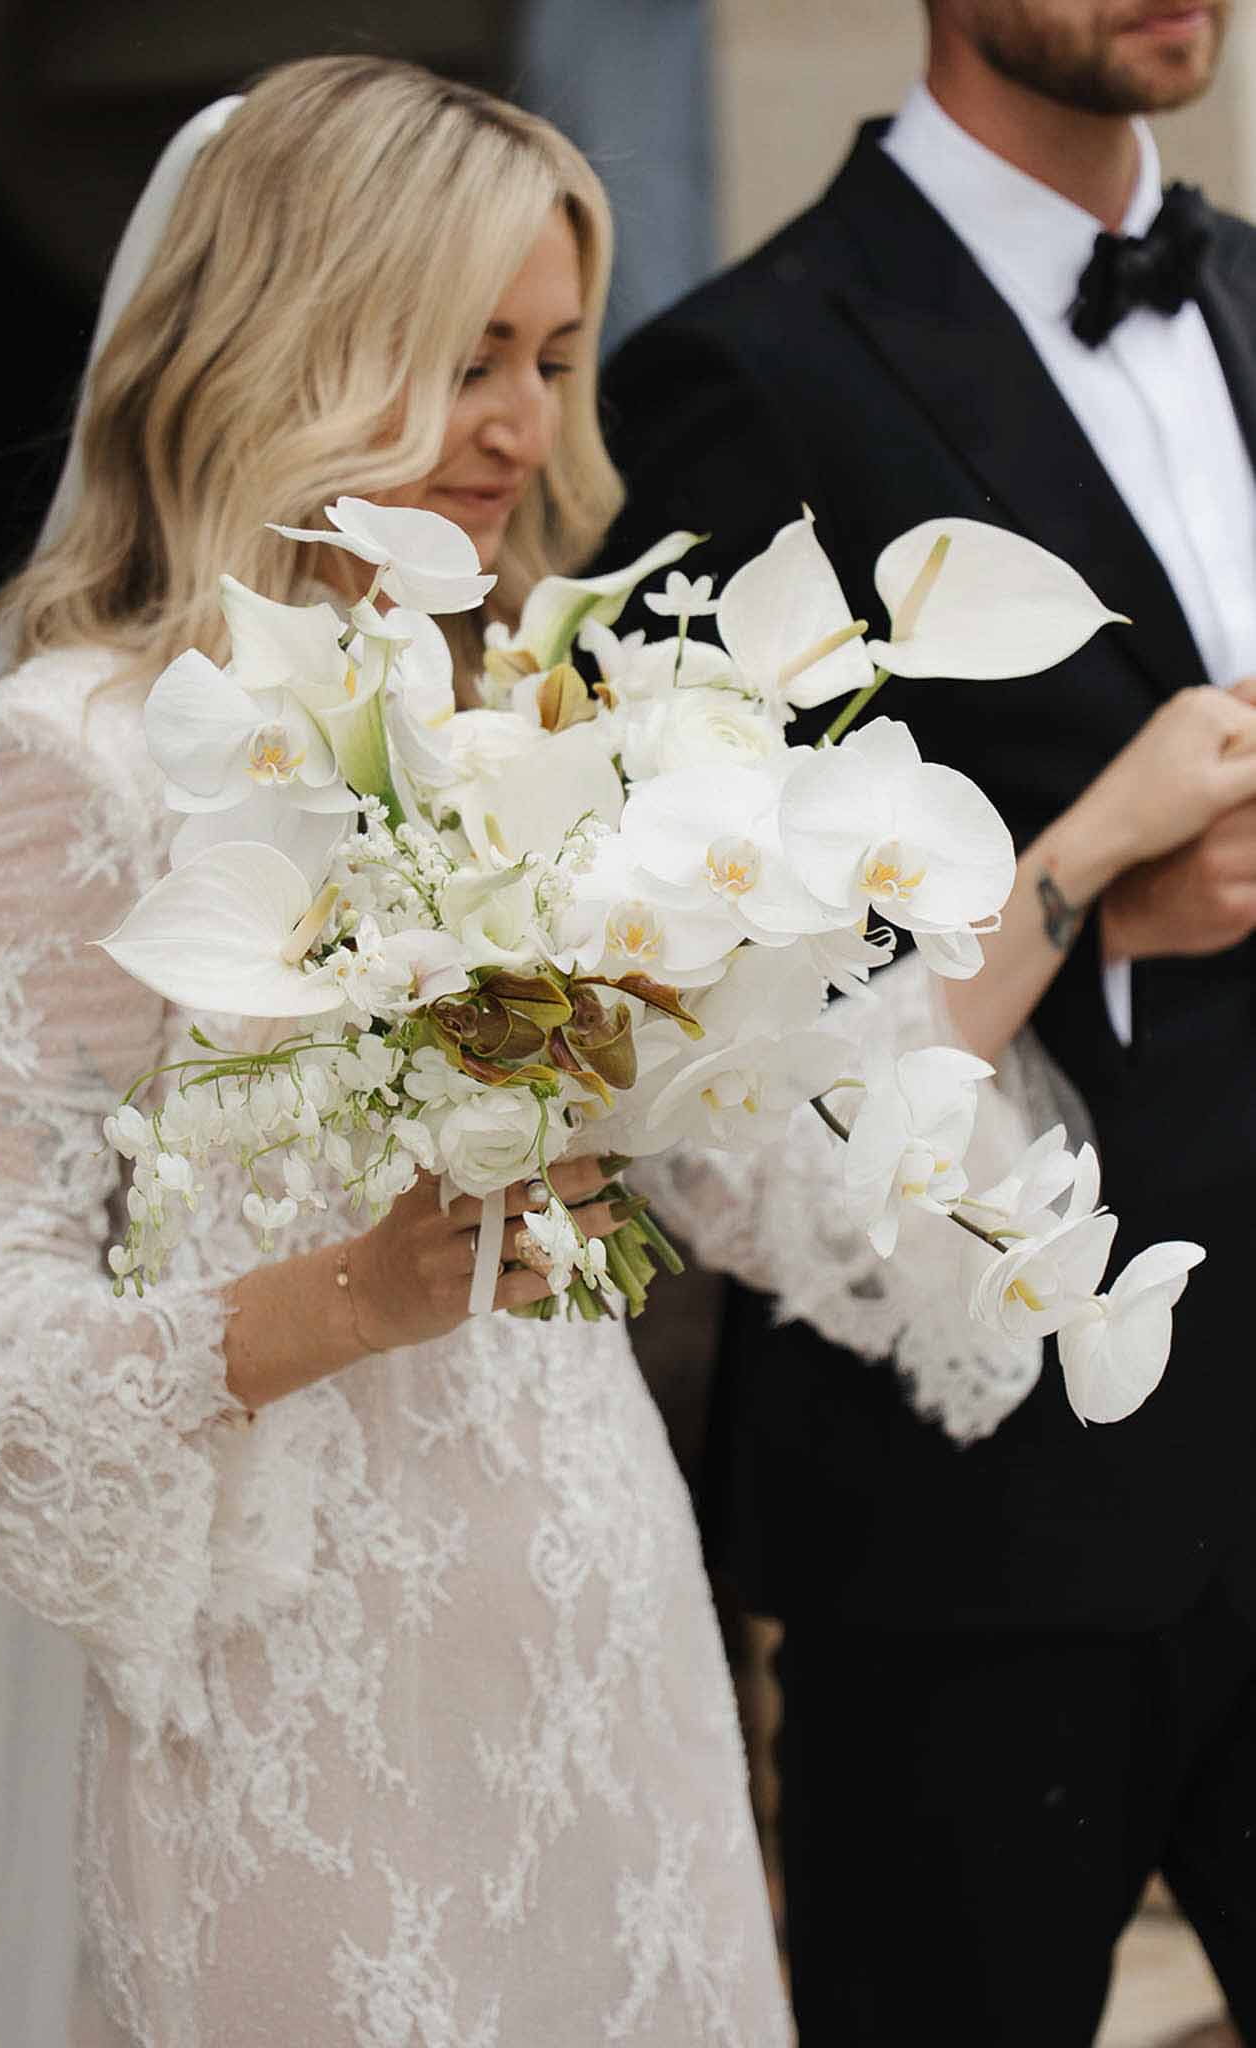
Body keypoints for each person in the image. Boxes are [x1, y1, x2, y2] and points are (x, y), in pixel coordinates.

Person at [0, 58, 795, 2047]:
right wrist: (346, 1293)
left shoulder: (521, 715)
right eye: (462, 353)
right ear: (290, 334)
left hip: (594, 1630)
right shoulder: (69, 761)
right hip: (290, 1718)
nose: (519, 427)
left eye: (553, 359)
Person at [601, 2, 1256, 2042]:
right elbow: (692, 1011)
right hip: (978, 1522)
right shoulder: (744, 371)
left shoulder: (1251, 294)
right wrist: (1081, 900)